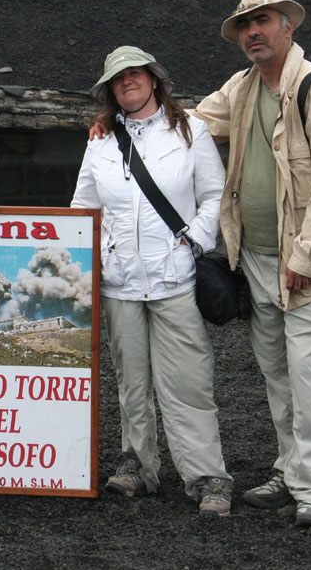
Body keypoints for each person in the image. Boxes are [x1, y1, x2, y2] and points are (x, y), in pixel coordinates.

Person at [193, 0, 311, 528]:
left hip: (310, 268)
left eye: (262, 21)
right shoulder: (240, 89)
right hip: (258, 260)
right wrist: (118, 122)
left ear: (287, 27)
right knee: (278, 377)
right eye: (244, 26)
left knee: (309, 380)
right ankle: (290, 471)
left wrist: (307, 258)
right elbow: (191, 124)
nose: (252, 32)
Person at [72, 46, 233, 517]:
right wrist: (100, 255)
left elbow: (214, 195)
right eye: (118, 78)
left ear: (154, 79)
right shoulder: (100, 142)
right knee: (132, 381)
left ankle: (207, 475)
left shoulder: (191, 131)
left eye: (135, 74)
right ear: (110, 90)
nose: (128, 82)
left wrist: (193, 244)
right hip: (119, 282)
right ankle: (139, 465)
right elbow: (84, 208)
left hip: (174, 278)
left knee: (188, 383)